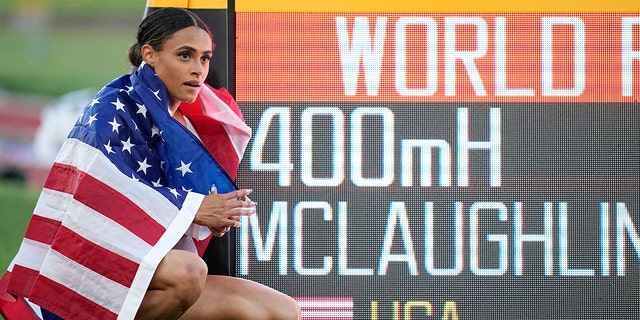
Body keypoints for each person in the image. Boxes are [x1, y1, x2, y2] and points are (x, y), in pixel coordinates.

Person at [0, 7, 300, 320]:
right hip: (85, 271)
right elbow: (99, 203)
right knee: (188, 274)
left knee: (281, 311)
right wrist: (195, 208)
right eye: (185, 55)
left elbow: (174, 210)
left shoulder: (186, 120)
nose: (198, 69)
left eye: (204, 58)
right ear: (150, 55)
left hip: (147, 276)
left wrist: (208, 217)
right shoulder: (111, 108)